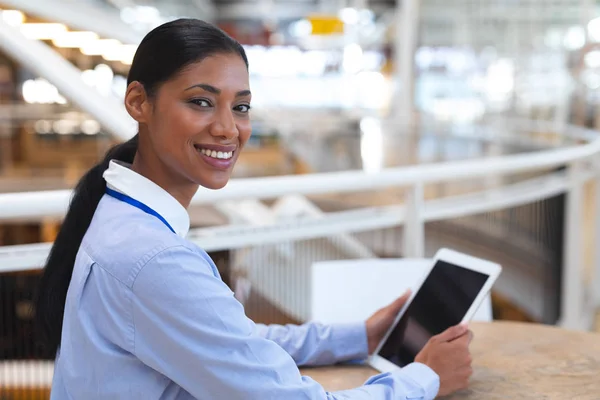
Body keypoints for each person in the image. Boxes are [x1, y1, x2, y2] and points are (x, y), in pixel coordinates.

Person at [35, 19, 473, 400]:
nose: (228, 129)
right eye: (200, 102)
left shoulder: (120, 218)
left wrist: (360, 336)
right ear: (138, 103)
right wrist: (426, 378)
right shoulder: (154, 259)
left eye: (240, 107)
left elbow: (230, 341)